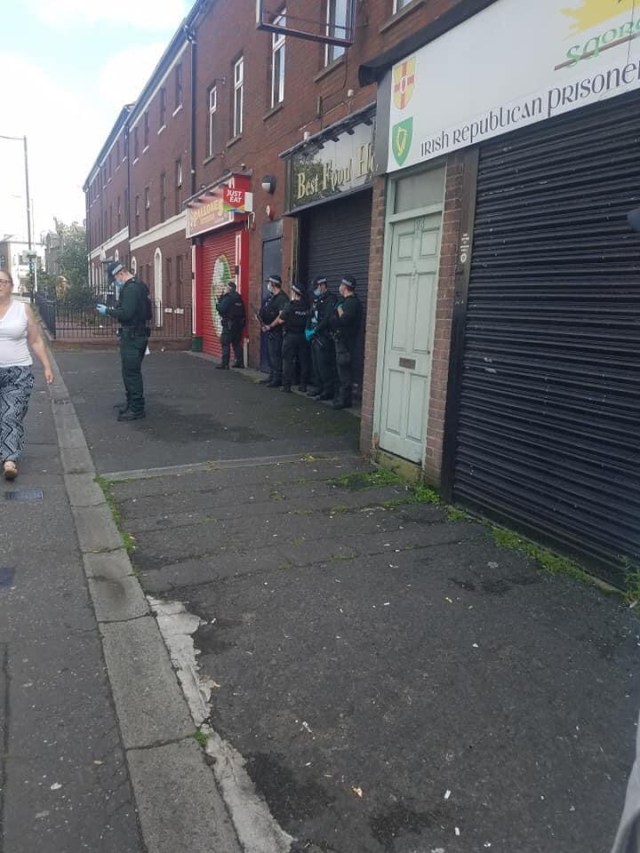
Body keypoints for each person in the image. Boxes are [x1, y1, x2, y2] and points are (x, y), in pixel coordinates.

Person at [0, 271, 54, 480]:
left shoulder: (23, 309)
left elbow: (36, 340)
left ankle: (9, 459)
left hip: (18, 371)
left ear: (11, 286)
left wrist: (47, 366)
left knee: (11, 414)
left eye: (3, 281)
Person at [97, 261, 150, 421]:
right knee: (129, 371)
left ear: (120, 274)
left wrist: (108, 311)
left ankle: (136, 409)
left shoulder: (131, 289)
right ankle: (131, 404)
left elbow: (126, 313)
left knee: (131, 373)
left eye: (115, 280)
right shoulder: (139, 285)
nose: (115, 284)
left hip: (133, 336)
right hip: (137, 334)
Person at [330, 274, 362, 409]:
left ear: (345, 286)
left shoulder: (352, 303)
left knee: (344, 371)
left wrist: (339, 309)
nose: (340, 287)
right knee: (341, 370)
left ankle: (345, 400)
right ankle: (342, 398)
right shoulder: (345, 301)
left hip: (346, 343)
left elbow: (345, 319)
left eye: (342, 285)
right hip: (341, 341)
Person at [272, 283, 309, 393]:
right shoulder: (307, 306)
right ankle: (303, 385)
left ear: (295, 293)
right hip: (303, 336)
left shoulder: (290, 305)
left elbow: (281, 320)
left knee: (287, 361)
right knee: (304, 361)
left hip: (290, 337)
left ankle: (286, 386)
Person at [305, 275, 336, 401]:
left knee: (324, 365)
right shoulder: (317, 299)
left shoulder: (331, 299)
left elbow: (327, 318)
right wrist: (307, 329)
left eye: (316, 287)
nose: (315, 290)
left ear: (322, 285)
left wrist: (315, 330)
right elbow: (310, 314)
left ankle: (327, 390)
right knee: (316, 364)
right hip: (314, 336)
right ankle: (318, 387)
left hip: (323, 337)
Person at [258, 274, 289, 387]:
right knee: (271, 355)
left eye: (269, 283)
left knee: (276, 355)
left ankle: (277, 379)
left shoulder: (282, 298)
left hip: (277, 332)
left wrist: (270, 326)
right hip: (270, 331)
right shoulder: (272, 297)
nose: (268, 285)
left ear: (273, 284)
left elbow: (281, 316)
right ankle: (272, 376)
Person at [215, 280, 245, 369]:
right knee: (237, 343)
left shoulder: (228, 298)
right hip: (238, 325)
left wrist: (218, 302)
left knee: (225, 343)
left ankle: (225, 364)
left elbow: (221, 309)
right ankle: (240, 362)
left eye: (225, 287)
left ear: (229, 288)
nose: (224, 289)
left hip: (229, 325)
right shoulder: (239, 298)